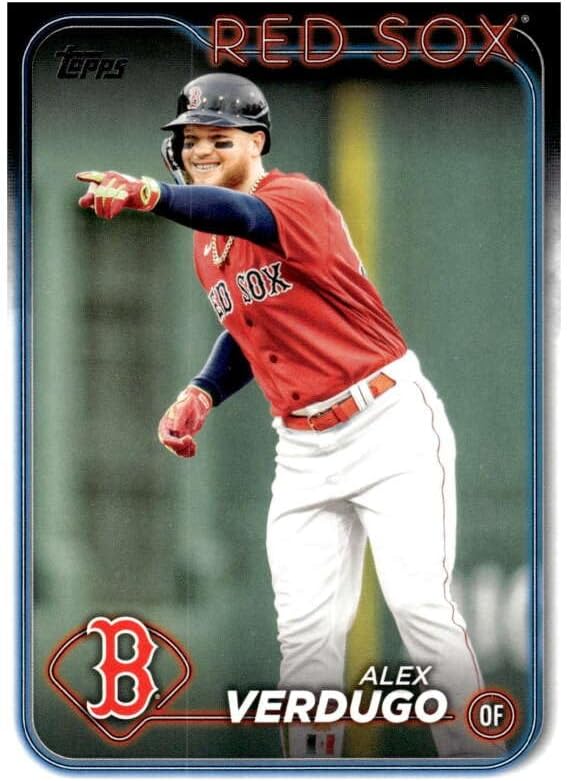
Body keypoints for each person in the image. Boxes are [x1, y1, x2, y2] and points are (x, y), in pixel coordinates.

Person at [76, 72, 504, 760]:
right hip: (303, 447)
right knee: (305, 637)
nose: (200, 151)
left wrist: (150, 194)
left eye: (220, 138)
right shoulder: (206, 240)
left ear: (258, 142)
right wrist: (203, 390)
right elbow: (250, 325)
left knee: (419, 608)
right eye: (190, 140)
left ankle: (475, 761)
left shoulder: (293, 198)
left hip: (385, 421)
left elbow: (242, 216)